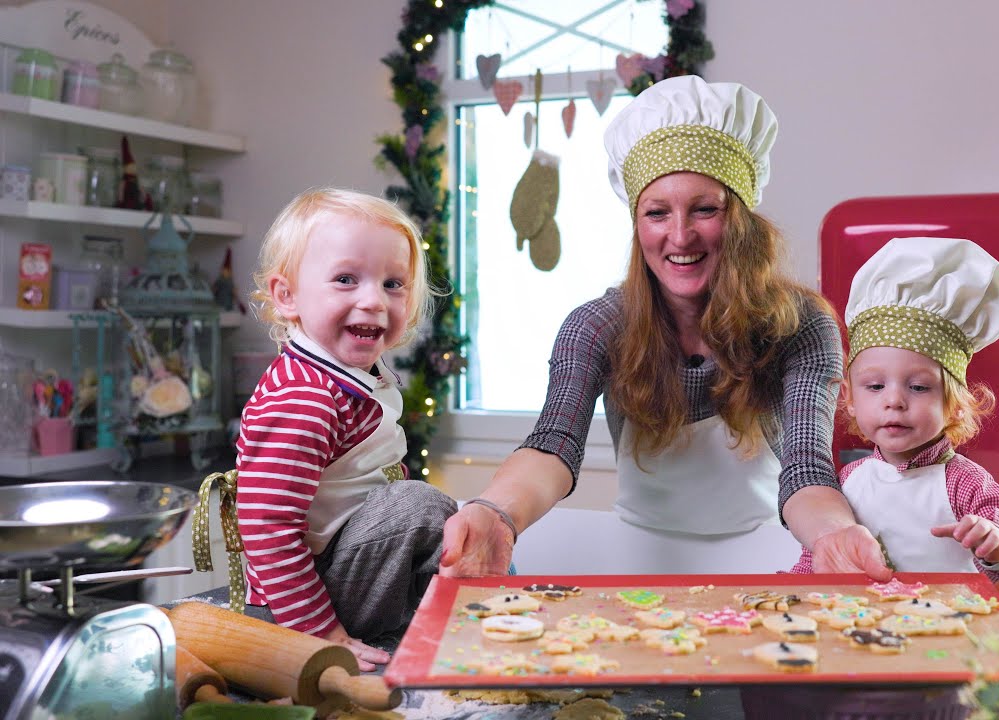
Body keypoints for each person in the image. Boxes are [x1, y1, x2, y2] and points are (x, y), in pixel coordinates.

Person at [440, 75, 892, 580]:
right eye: (657, 213)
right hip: (637, 559)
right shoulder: (596, 325)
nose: (680, 235)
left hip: (768, 555)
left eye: (705, 209)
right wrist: (494, 512)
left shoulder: (800, 325)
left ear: (740, 218)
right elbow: (553, 443)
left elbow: (807, 465)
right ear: (638, 225)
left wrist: (833, 532)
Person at [236, 188, 457, 670]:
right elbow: (267, 527)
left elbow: (371, 471)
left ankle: (469, 612)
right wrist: (320, 635)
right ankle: (478, 613)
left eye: (393, 284)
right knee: (419, 507)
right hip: (299, 602)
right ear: (286, 296)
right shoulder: (305, 396)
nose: (374, 300)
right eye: (345, 279)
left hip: (344, 567)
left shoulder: (354, 376)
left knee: (451, 525)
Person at [790, 236, 999, 588]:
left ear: (955, 405)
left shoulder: (963, 484)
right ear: (849, 397)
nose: (894, 401)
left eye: (918, 387)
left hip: (947, 630)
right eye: (875, 386)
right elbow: (819, 558)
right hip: (860, 632)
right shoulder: (848, 481)